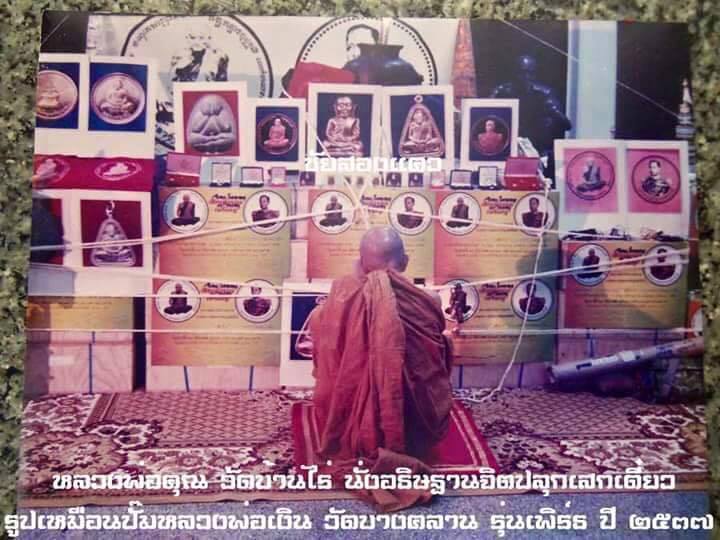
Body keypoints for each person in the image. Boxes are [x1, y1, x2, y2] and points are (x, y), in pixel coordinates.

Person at [309, 226, 453, 511]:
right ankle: (402, 439)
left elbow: (326, 347)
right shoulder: (429, 301)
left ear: (362, 262)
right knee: (446, 342)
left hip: (351, 426)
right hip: (417, 427)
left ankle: (356, 425)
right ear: (405, 261)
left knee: (318, 318)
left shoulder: (342, 294)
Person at [491, 55, 571, 178]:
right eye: (522, 73)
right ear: (515, 73)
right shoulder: (502, 92)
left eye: (530, 73)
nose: (526, 77)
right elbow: (485, 114)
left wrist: (553, 111)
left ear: (535, 74)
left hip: (538, 151)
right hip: (509, 151)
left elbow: (567, 125)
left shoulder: (544, 93)